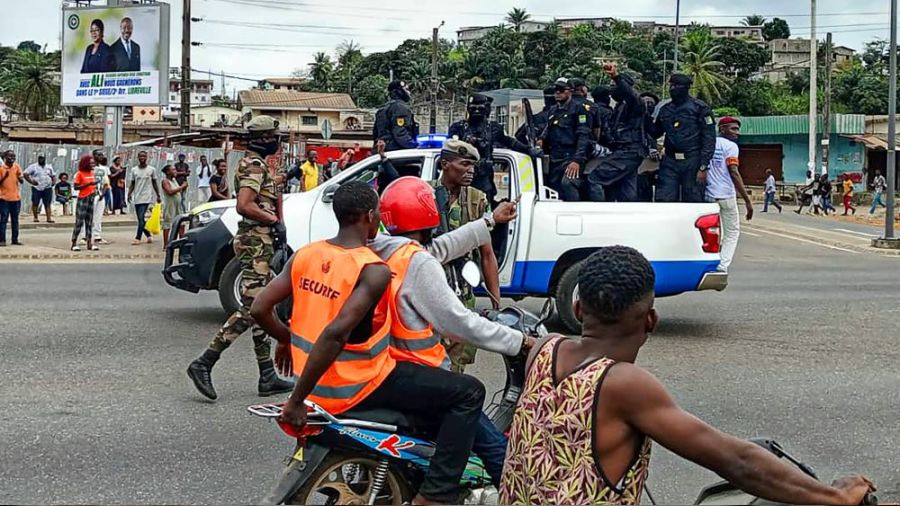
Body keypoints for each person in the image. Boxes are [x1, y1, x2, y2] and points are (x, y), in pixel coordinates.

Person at [500, 246, 876, 506]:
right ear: (651, 319)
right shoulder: (623, 384)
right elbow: (736, 460)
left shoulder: (544, 348)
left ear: (579, 309)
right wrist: (836, 496)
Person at [250, 181, 486, 506]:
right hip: (359, 382)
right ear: (370, 216)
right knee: (469, 392)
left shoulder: (307, 253)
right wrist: (295, 400)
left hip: (314, 381)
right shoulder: (373, 269)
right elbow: (335, 335)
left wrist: (286, 339)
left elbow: (259, 308)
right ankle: (435, 495)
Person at [374, 176, 533, 486]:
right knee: (493, 444)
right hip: (417, 372)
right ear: (429, 214)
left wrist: (488, 221)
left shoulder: (380, 250)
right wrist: (518, 341)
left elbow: (445, 246)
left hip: (382, 369)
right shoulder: (418, 263)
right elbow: (458, 321)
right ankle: (509, 491)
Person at [187, 115, 293, 400]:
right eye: (274, 135)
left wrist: (279, 184)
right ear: (263, 139)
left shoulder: (257, 166)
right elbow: (244, 205)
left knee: (261, 307)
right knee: (254, 308)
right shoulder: (254, 165)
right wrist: (273, 220)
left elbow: (259, 195)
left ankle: (267, 375)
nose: (278, 140)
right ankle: (204, 362)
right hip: (256, 241)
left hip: (261, 241)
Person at [430, 140, 500, 373]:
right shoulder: (425, 194)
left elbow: (487, 255)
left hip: (461, 294)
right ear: (445, 164)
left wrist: (496, 305)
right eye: (465, 164)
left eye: (473, 166)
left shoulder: (477, 200)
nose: (471, 171)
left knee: (455, 370)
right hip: (430, 289)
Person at [448, 93, 540, 201]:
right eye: (473, 107)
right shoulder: (458, 128)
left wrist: (529, 150)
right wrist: (465, 143)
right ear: (468, 108)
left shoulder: (493, 128)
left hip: (484, 180)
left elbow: (510, 142)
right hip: (461, 179)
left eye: (480, 107)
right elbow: (449, 150)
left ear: (486, 109)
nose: (476, 111)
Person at [586, 64, 651, 203]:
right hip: (623, 152)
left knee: (594, 178)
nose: (612, 91)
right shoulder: (619, 107)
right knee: (627, 193)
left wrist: (616, 77)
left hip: (629, 152)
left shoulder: (635, 104)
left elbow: (630, 94)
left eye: (615, 87)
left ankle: (598, 215)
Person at [654, 73, 717, 203]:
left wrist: (703, 166)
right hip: (670, 161)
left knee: (693, 200)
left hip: (692, 161)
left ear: (686, 88)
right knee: (664, 199)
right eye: (671, 85)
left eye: (676, 86)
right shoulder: (665, 109)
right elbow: (656, 132)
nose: (672, 89)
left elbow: (709, 139)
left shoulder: (700, 108)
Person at [707, 117, 753, 273]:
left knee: (711, 231)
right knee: (732, 232)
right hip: (726, 195)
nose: (737, 133)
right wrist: (747, 200)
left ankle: (708, 261)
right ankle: (722, 265)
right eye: (733, 129)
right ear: (722, 129)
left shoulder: (708, 143)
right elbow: (733, 171)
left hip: (708, 195)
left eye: (737, 129)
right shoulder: (731, 146)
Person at [541, 78, 593, 202]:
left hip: (571, 156)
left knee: (568, 183)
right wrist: (541, 140)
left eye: (561, 90)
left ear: (570, 91)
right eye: (555, 90)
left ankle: (574, 212)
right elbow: (548, 129)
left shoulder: (579, 109)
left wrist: (577, 160)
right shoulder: (553, 110)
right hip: (556, 157)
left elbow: (583, 136)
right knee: (554, 188)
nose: (557, 93)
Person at [127, 151, 161, 245]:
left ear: (147, 157)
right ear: (138, 157)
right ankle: (149, 236)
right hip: (137, 197)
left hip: (146, 197)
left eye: (144, 156)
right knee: (140, 219)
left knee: (141, 217)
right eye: (140, 156)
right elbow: (132, 183)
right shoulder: (134, 170)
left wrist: (158, 194)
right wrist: (129, 193)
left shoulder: (151, 170)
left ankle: (138, 238)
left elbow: (154, 182)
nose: (142, 157)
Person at [374, 80, 418, 152]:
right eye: (406, 90)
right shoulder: (400, 108)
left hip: (382, 151)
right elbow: (400, 133)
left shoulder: (382, 109)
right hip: (397, 152)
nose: (409, 93)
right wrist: (414, 146)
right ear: (399, 92)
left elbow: (376, 134)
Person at [80, 151, 109, 245]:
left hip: (100, 195)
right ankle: (84, 236)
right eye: (99, 155)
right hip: (89, 195)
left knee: (98, 217)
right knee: (88, 216)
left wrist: (103, 194)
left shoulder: (103, 169)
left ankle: (97, 236)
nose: (101, 156)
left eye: (102, 155)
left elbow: (106, 183)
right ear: (93, 156)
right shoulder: (87, 168)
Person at [71, 155, 99, 252]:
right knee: (79, 221)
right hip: (83, 198)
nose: (93, 165)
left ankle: (89, 243)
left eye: (93, 163)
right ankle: (74, 243)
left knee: (90, 221)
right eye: (91, 163)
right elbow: (76, 187)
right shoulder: (79, 174)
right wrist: (88, 184)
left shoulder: (92, 173)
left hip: (91, 197)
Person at [0, 150, 25, 247]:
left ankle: (15, 239)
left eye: (13, 157)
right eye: (10, 157)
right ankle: (2, 240)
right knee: (3, 220)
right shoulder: (1, 169)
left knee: (15, 220)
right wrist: (4, 177)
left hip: (16, 198)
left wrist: (20, 178)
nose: (12, 159)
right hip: (4, 199)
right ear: (5, 157)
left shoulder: (16, 167)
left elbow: (21, 178)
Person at [161, 164, 188, 248]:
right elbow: (170, 191)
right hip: (170, 206)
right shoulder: (165, 181)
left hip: (178, 206)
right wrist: (182, 186)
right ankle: (166, 244)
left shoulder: (174, 180)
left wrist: (184, 187)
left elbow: (179, 191)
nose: (175, 171)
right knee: (167, 224)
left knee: (181, 223)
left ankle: (181, 242)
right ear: (168, 172)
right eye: (173, 170)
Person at [24, 155, 56, 224]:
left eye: (42, 158)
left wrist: (53, 182)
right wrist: (31, 181)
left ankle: (49, 218)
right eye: (40, 158)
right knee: (35, 202)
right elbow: (25, 174)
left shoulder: (49, 167)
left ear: (45, 159)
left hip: (47, 187)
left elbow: (53, 175)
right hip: (37, 187)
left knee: (47, 203)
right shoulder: (33, 166)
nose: (41, 160)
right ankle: (35, 217)